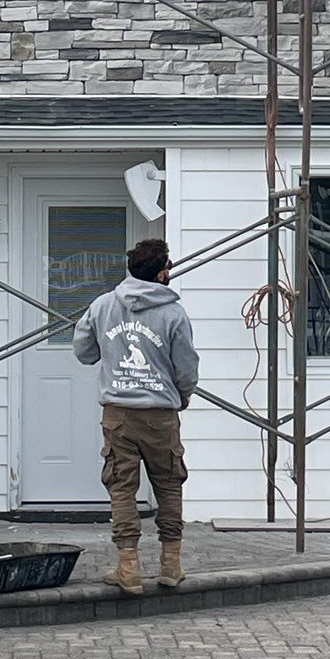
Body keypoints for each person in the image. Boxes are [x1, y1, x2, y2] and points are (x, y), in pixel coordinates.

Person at [73, 238, 199, 595]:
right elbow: (186, 365)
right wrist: (183, 394)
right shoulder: (174, 313)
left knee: (122, 487)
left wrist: (109, 353)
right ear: (162, 271)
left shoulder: (102, 306)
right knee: (169, 483)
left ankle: (128, 568)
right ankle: (170, 565)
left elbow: (83, 351)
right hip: (160, 412)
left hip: (119, 414)